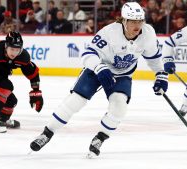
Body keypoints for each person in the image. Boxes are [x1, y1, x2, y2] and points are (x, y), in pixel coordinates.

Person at [30, 2, 168, 157]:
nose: (137, 25)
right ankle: (47, 133)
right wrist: (99, 68)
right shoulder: (109, 32)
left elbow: (154, 58)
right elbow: (88, 54)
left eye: (140, 21)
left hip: (122, 74)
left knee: (119, 107)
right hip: (98, 69)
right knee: (75, 101)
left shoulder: (148, 34)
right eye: (133, 21)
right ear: (124, 20)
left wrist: (160, 75)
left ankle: (100, 138)